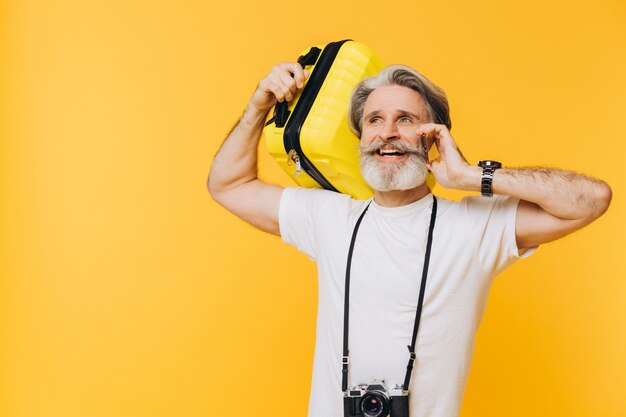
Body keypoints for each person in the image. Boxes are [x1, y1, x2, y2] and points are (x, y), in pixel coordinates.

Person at [207, 61, 612, 417]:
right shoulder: (330, 217)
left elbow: (591, 199)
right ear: (360, 138)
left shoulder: (474, 226)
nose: (388, 133)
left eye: (405, 119)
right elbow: (229, 184)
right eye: (374, 120)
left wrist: (472, 176)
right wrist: (258, 107)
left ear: (433, 136)